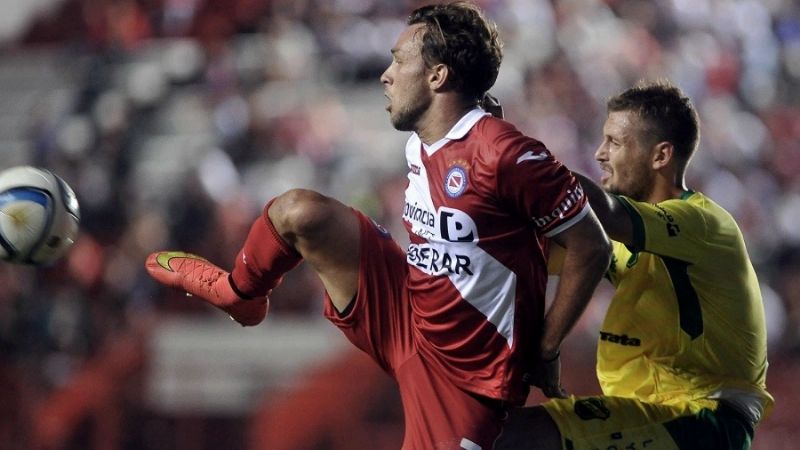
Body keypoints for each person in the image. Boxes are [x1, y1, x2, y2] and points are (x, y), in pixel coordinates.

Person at [145, 2, 611, 449]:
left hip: (466, 379)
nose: (385, 76)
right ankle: (241, 296)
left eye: (398, 61)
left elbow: (592, 246)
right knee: (298, 213)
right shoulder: (425, 135)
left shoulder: (505, 153)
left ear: (437, 75)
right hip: (405, 311)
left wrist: (547, 349)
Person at [496, 80, 774, 449]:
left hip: (702, 417)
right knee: (489, 432)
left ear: (660, 156)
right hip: (644, 412)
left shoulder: (703, 222)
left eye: (615, 142)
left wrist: (507, 154)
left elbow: (604, 212)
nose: (599, 154)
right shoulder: (621, 236)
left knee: (510, 439)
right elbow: (530, 254)